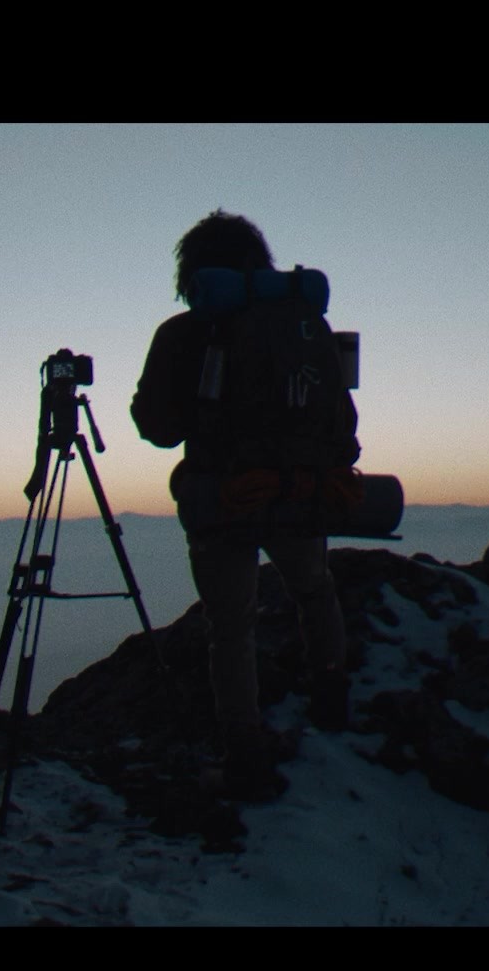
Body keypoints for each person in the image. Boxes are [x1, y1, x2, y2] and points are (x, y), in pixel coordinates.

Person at [130, 211, 356, 800]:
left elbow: (157, 427)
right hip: (300, 493)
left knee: (230, 628)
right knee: (315, 590)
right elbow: (342, 416)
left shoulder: (183, 332)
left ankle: (245, 757)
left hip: (223, 497)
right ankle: (332, 702)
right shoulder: (305, 321)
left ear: (192, 270)